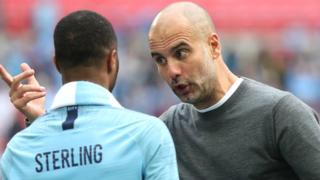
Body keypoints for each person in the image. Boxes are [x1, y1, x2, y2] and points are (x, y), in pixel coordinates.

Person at [1, 2, 320, 180]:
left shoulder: (282, 114)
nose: (171, 71)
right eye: (159, 60)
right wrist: (42, 123)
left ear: (213, 45)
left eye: (181, 53)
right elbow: (91, 159)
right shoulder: (166, 128)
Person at [0, 10, 179, 180]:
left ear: (56, 64)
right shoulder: (148, 134)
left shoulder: (18, 151)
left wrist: (40, 125)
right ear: (112, 60)